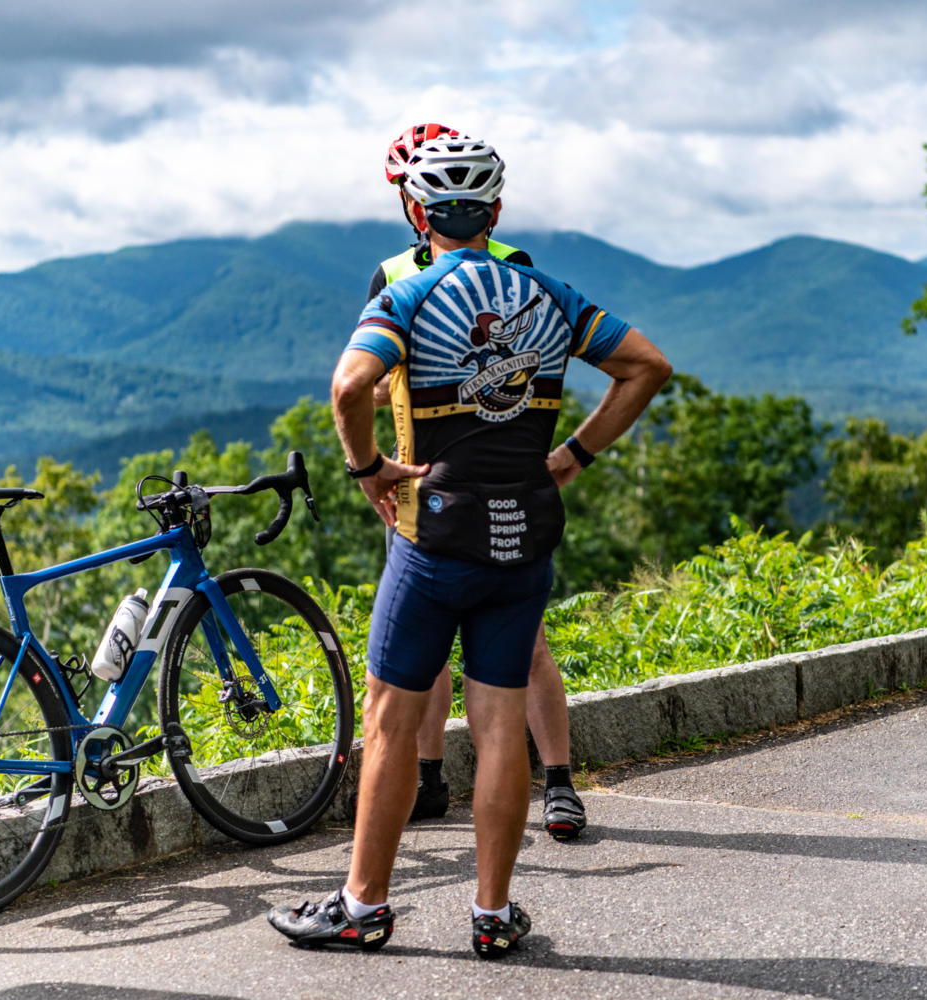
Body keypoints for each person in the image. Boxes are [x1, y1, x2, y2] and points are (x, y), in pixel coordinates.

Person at [269, 135, 670, 957]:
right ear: (496, 211)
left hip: (434, 539)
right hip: (524, 540)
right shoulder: (549, 292)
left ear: (418, 213)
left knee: (389, 721)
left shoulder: (409, 292)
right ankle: (492, 915)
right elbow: (646, 366)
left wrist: (369, 468)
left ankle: (363, 906)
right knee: (497, 725)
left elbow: (349, 387)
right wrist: (574, 454)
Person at [368, 123, 588, 840]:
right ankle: (428, 779)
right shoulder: (393, 274)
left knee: (528, 646)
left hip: (497, 476)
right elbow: (370, 382)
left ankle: (558, 778)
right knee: (421, 654)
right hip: (417, 481)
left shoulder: (514, 267)